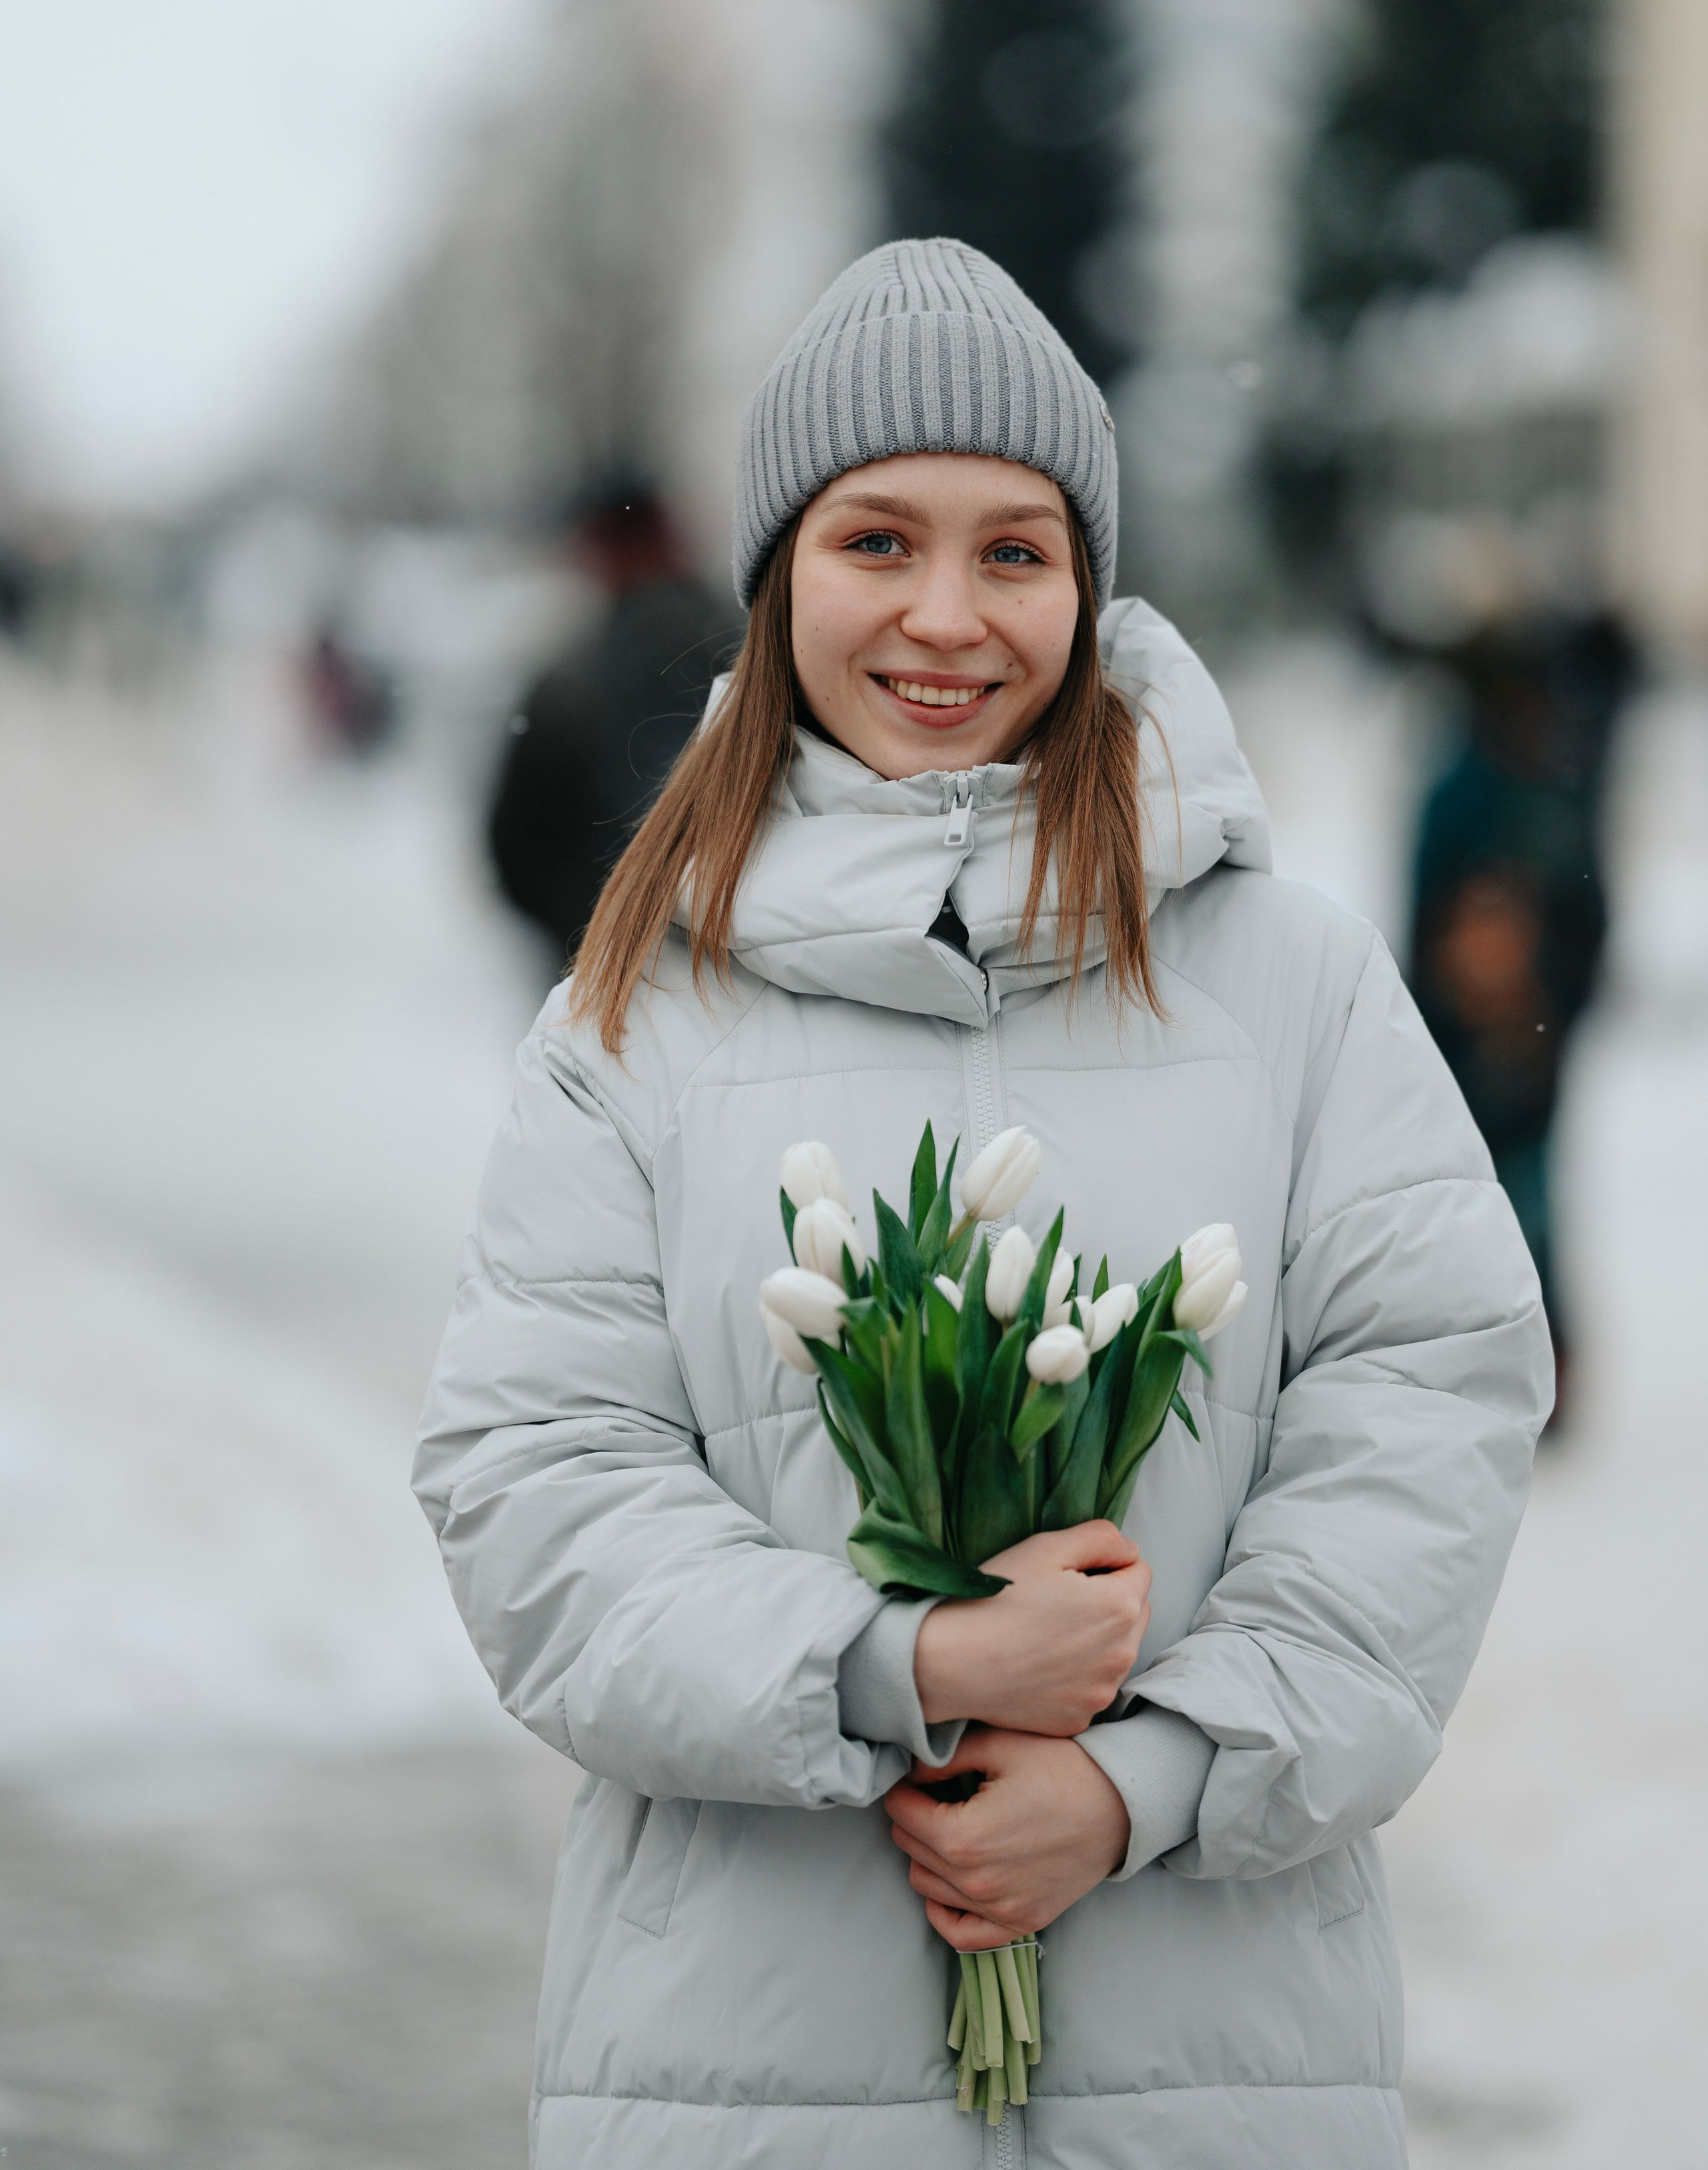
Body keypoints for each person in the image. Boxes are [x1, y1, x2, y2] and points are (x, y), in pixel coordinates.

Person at [415, 240, 1550, 2169]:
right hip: (745, 2075)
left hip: (1216, 2061)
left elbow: (1427, 1406)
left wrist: (1145, 1778)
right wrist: (906, 1667)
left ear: (1086, 585)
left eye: (1013, 550)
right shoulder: (635, 1012)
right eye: (876, 540)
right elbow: (536, 1480)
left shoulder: (1288, 982)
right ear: (778, 577)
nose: (944, 615)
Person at [1408, 614, 1634, 1424]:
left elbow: (1590, 920)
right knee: (1481, 1208)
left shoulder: (1550, 790)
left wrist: (1546, 994)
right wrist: (1462, 985)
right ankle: (1501, 1369)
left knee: (1526, 1205)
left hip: (1532, 1042)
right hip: (1470, 1043)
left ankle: (1538, 1370)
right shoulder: (1468, 791)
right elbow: (1421, 923)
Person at [486, 484, 729, 971]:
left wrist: (595, 934)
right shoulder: (757, 646)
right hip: (745, 971)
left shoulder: (572, 678)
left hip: (612, 977)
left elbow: (513, 850)